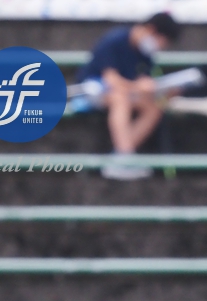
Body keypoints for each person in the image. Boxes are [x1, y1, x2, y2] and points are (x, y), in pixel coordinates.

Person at [76, 13, 182, 180]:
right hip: (91, 91)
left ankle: (120, 156)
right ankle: (125, 158)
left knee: (154, 108)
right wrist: (138, 87)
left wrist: (163, 91)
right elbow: (111, 80)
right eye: (162, 41)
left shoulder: (145, 54)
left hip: (125, 94)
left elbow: (143, 82)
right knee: (120, 98)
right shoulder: (114, 40)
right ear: (151, 30)